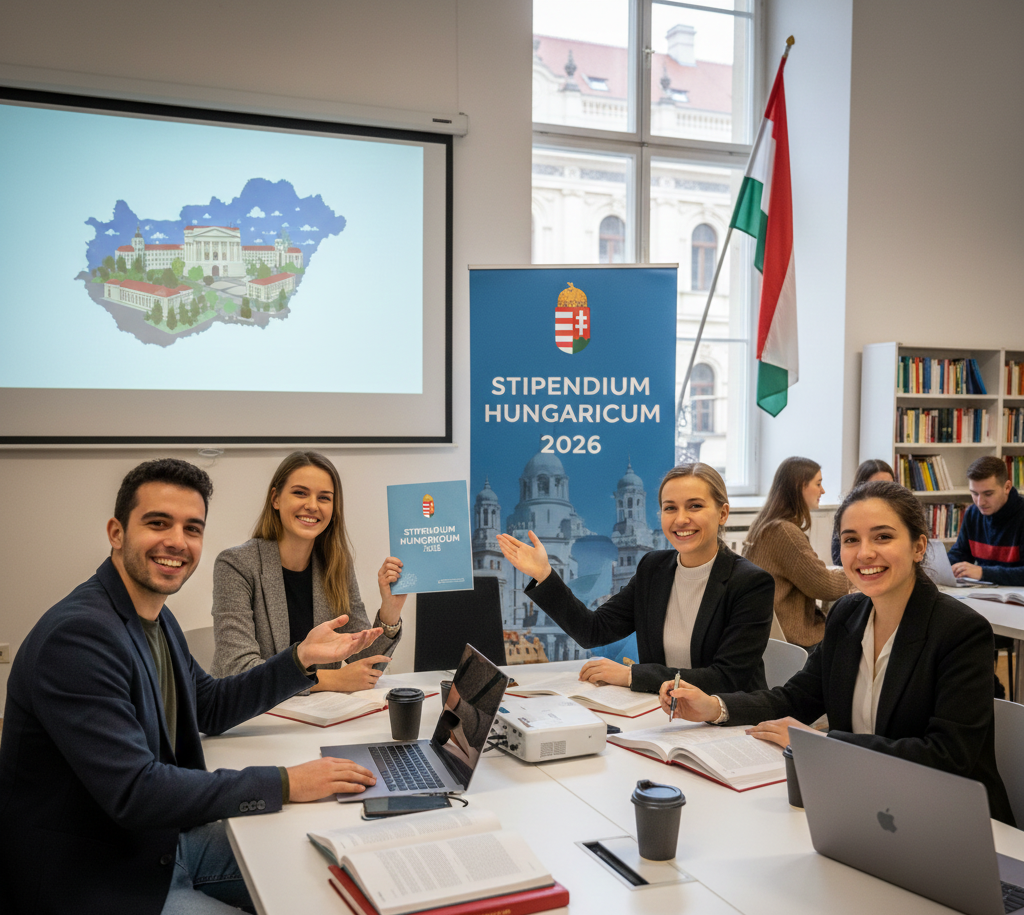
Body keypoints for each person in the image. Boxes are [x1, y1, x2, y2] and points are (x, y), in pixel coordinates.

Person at [0, 459, 381, 915]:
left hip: (160, 844)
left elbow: (210, 706)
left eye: (192, 528)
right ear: (116, 533)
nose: (177, 542)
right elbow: (136, 792)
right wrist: (285, 782)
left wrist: (299, 659)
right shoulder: (78, 637)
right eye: (158, 523)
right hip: (104, 877)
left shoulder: (153, 616)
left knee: (340, 878)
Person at [661, 480, 1014, 825]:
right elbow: (796, 699)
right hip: (864, 805)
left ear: (919, 547)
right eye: (850, 540)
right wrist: (716, 706)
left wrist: (825, 743)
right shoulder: (847, 614)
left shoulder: (960, 632)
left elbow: (948, 757)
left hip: (950, 820)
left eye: (883, 537)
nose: (864, 553)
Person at [495, 462, 775, 695]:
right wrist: (544, 575)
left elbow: (726, 679)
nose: (680, 519)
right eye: (670, 508)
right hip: (663, 712)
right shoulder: (653, 568)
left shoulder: (751, 584)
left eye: (695, 506)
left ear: (722, 513)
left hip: (729, 723)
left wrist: (632, 676)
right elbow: (593, 630)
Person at [212, 451, 405, 691]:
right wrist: (329, 680)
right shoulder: (236, 565)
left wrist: (390, 610)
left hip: (320, 720)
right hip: (253, 719)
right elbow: (237, 670)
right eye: (300, 493)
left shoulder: (336, 565)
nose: (312, 506)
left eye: (324, 498)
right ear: (276, 499)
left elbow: (365, 662)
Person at [743, 457, 851, 648]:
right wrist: (856, 572)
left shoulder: (765, 524)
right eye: (818, 484)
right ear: (800, 486)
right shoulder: (784, 531)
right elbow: (824, 585)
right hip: (794, 641)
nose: (823, 490)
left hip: (771, 636)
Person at [948, 455, 1024, 585]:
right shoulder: (972, 513)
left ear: (1007, 487)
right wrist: (943, 568)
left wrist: (983, 572)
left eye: (988, 494)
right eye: (974, 493)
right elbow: (960, 553)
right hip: (985, 594)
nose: (980, 502)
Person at [830, 459, 896, 564]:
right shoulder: (847, 513)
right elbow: (838, 558)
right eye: (877, 486)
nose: (884, 492)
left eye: (889, 486)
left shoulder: (899, 512)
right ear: (861, 488)